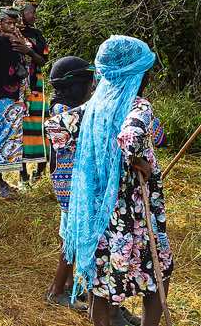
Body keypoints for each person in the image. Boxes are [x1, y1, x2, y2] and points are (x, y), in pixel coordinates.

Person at [61, 36, 172, 326]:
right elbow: (133, 138)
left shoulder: (95, 106)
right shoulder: (138, 106)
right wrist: (141, 161)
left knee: (101, 279)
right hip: (135, 210)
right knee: (157, 269)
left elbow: (59, 128)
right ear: (137, 74)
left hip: (100, 209)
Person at [43, 56, 95, 310]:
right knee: (71, 237)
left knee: (70, 235)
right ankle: (57, 289)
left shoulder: (64, 107)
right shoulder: (62, 111)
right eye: (89, 84)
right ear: (75, 86)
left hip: (70, 182)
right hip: (70, 183)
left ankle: (69, 286)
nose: (92, 89)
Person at [0, 7, 26, 198]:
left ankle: (0, 180)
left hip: (12, 95)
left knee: (8, 137)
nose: (12, 26)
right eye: (8, 22)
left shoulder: (15, 42)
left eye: (14, 23)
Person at [14, 0, 50, 188]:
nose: (34, 16)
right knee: (19, 130)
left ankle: (39, 172)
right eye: (31, 12)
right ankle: (22, 176)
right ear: (20, 14)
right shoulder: (8, 32)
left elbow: (43, 60)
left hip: (35, 85)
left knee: (40, 127)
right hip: (15, 88)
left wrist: (27, 51)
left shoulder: (36, 35)